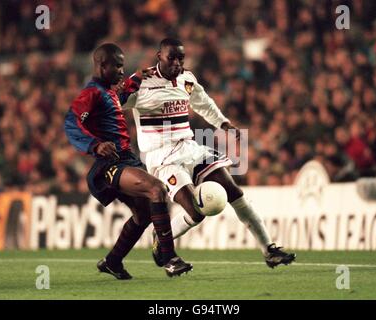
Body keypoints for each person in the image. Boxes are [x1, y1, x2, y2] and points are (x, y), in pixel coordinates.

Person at [121, 38, 296, 269]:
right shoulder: (144, 83)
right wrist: (131, 81)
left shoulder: (187, 79)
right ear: (159, 56)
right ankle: (162, 239)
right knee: (195, 213)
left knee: (234, 191)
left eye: (180, 58)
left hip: (190, 148)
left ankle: (269, 250)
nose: (176, 63)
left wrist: (223, 123)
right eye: (171, 57)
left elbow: (204, 103)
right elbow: (116, 103)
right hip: (162, 157)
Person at [64, 43, 192, 279]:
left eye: (123, 66)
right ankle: (170, 258)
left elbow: (122, 93)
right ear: (102, 65)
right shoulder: (90, 93)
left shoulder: (109, 92)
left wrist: (138, 77)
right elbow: (71, 123)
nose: (122, 71)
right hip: (110, 164)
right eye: (118, 66)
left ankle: (112, 262)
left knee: (143, 215)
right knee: (156, 189)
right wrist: (96, 145)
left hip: (127, 159)